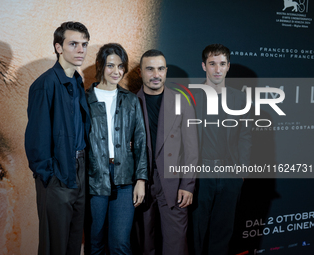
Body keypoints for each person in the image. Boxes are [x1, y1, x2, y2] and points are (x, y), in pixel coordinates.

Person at [24, 21, 90, 255]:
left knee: (73, 242)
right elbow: (36, 137)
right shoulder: (45, 84)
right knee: (55, 246)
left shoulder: (77, 81)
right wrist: (48, 175)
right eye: (73, 44)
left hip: (79, 169)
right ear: (58, 47)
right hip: (57, 173)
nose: (81, 49)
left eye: (84, 44)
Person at [85, 43, 147, 255]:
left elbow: (140, 141)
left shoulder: (130, 100)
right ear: (100, 66)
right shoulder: (85, 99)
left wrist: (141, 180)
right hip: (94, 178)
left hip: (125, 179)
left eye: (121, 66)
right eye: (111, 65)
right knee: (95, 243)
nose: (116, 71)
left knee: (121, 244)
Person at [135, 49, 198, 255]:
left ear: (166, 71)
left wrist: (188, 184)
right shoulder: (130, 103)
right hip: (141, 183)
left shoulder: (182, 102)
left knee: (176, 244)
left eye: (161, 69)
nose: (156, 74)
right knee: (145, 242)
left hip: (174, 183)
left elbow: (192, 148)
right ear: (140, 72)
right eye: (150, 69)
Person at [190, 44, 252, 255]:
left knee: (222, 235)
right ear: (203, 66)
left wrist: (241, 170)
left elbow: (246, 135)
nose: (217, 69)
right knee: (195, 234)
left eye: (222, 64)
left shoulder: (240, 98)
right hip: (200, 176)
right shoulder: (189, 97)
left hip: (229, 175)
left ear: (228, 67)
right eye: (212, 63)